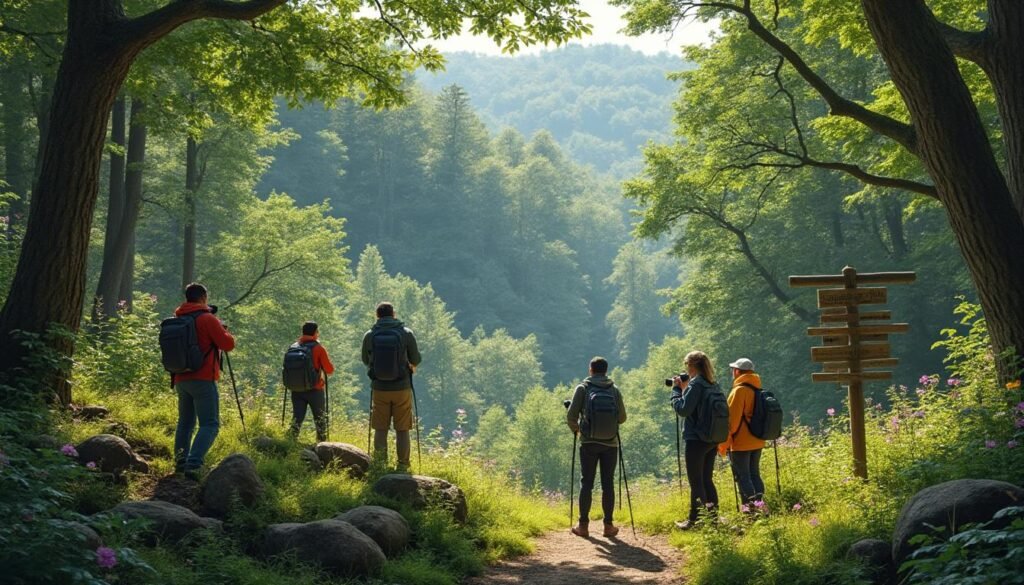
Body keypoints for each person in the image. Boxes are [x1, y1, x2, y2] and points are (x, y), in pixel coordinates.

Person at [173, 283, 234, 479]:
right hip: (203, 378)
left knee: (185, 423)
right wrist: (224, 330)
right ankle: (194, 463)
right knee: (210, 424)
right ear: (203, 298)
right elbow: (227, 344)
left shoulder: (178, 317)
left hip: (181, 377)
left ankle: (181, 461)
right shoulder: (208, 319)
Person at [566, 357, 627, 538]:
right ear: (606, 371)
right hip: (611, 443)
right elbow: (622, 418)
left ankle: (583, 526)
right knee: (608, 483)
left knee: (587, 483)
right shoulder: (614, 390)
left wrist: (578, 431)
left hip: (588, 443)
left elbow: (571, 416)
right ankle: (608, 526)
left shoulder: (583, 389)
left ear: (590, 369)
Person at [362, 302, 421, 469]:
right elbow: (416, 359)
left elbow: (365, 360)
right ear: (393, 314)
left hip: (379, 387)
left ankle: (380, 464)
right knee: (402, 428)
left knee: (380, 427)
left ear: (377, 315)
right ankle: (403, 465)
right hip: (402, 386)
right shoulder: (406, 333)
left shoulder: (370, 335)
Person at [670, 350, 721, 529]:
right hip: (712, 437)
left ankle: (695, 521)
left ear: (692, 366)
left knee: (696, 481)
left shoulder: (696, 384)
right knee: (707, 479)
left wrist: (676, 391)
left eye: (687, 366)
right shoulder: (712, 384)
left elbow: (683, 410)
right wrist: (686, 389)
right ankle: (713, 519)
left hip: (696, 439)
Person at [718, 358, 766, 506]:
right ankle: (760, 506)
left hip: (741, 442)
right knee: (754, 475)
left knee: (743, 477)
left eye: (733, 369)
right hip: (757, 440)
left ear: (737, 371)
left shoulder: (739, 391)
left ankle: (750, 512)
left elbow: (731, 422)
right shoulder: (758, 389)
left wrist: (723, 445)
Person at [289, 321, 336, 442]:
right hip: (315, 390)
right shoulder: (318, 348)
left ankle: (289, 444)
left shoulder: (293, 347)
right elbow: (329, 370)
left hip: (296, 389)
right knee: (320, 420)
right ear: (315, 333)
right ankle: (322, 447)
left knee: (297, 419)